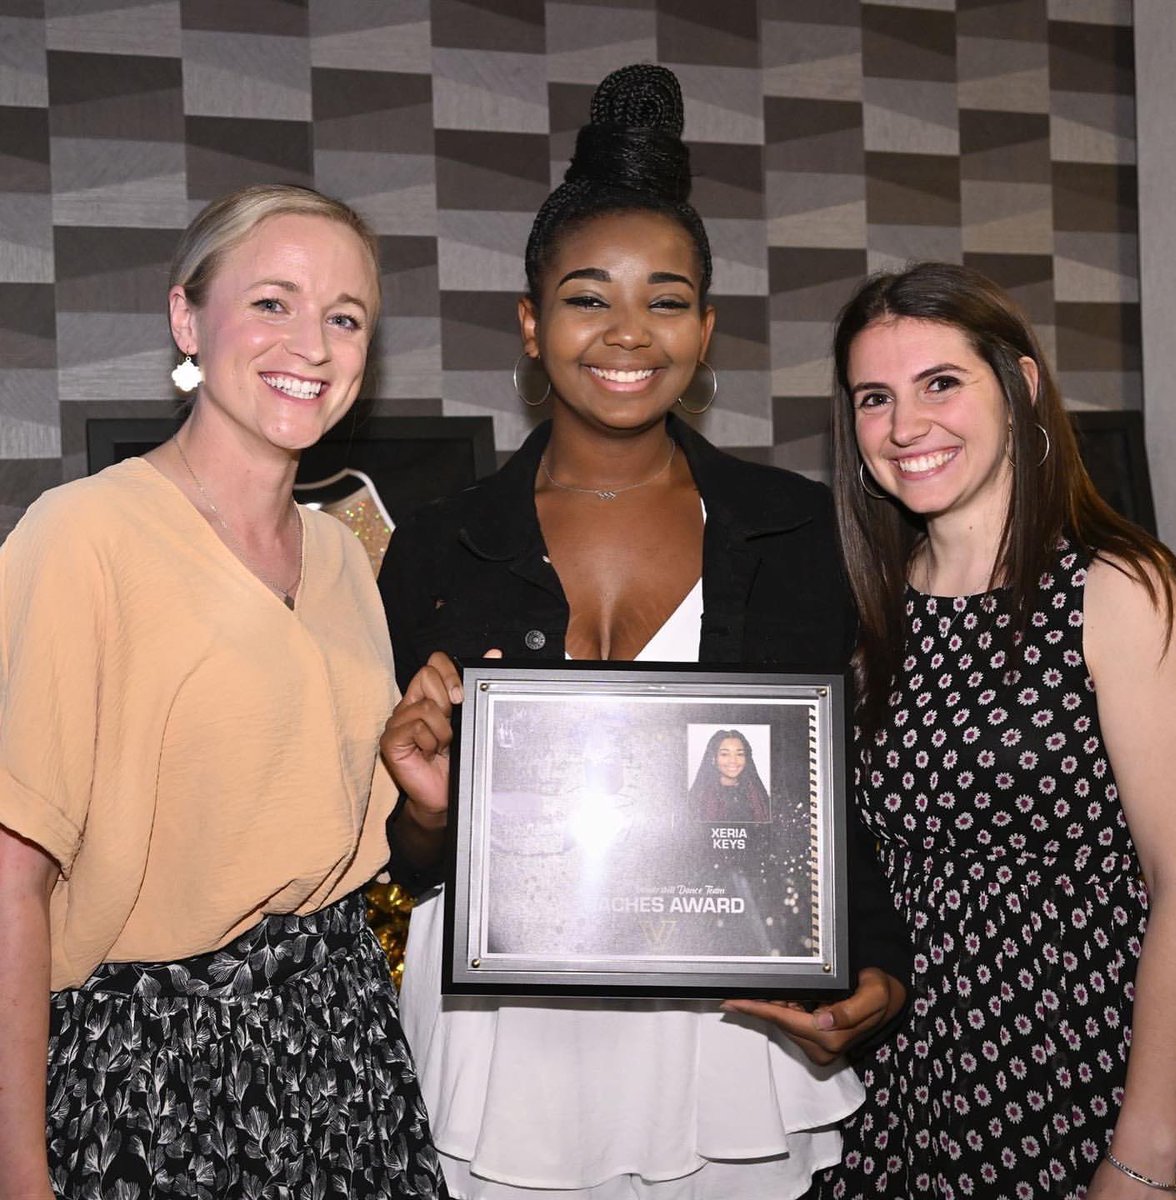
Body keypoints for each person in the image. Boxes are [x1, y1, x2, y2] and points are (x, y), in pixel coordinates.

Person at [377, 65, 910, 1200]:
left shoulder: (799, 530)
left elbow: (835, 789)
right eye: (588, 298)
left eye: (666, 301)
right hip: (506, 1045)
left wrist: (876, 961)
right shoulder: (435, 546)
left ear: (706, 330)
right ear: (531, 324)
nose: (629, 332)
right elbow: (409, 856)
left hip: (725, 1040)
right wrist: (425, 815)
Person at [0, 184, 446, 1198]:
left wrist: (429, 797)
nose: (313, 345)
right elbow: (10, 882)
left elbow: (346, 845)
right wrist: (18, 1170)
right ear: (187, 318)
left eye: (345, 318)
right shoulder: (82, 538)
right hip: (149, 1071)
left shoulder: (343, 558)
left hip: (344, 1049)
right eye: (272, 303)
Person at [810, 261, 1176, 1198]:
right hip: (900, 1087)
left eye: (940, 383)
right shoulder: (869, 610)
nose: (906, 426)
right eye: (875, 398)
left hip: (1080, 1074)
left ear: (1020, 387)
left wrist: (1144, 1156)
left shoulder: (1119, 588)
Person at [689, 728, 771, 823]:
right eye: (725, 754)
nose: (733, 760)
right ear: (714, 758)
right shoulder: (699, 797)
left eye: (739, 754)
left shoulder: (759, 797)